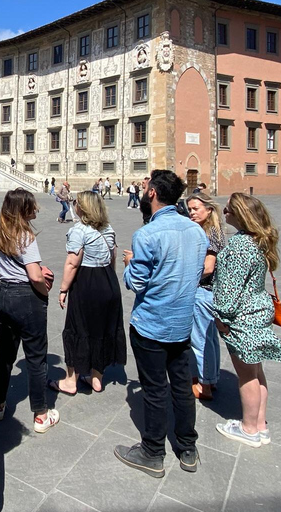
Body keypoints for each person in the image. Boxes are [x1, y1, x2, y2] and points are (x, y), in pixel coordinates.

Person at [114, 169, 208, 478]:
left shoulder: (147, 235)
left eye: (145, 188)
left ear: (152, 193)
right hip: (182, 321)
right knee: (181, 386)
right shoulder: (196, 231)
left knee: (155, 389)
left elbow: (137, 283)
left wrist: (129, 265)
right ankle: (188, 447)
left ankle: (152, 452)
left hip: (152, 324)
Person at [214, 193, 281, 448]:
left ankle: (248, 428)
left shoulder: (241, 246)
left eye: (228, 210)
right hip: (258, 310)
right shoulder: (258, 241)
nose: (224, 212)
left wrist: (221, 317)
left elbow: (229, 290)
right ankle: (260, 424)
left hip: (242, 316)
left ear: (240, 214)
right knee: (256, 370)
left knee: (246, 374)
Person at [0, 189, 59, 433]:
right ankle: (41, 414)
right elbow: (33, 274)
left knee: (5, 355)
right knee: (36, 356)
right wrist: (44, 288)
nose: (36, 209)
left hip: (4, 295)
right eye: (32, 206)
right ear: (22, 209)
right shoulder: (26, 236)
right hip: (26, 298)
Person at [52, 191, 126, 394]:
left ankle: (70, 380)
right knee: (102, 328)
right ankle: (96, 377)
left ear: (82, 208)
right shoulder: (108, 229)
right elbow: (113, 258)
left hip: (87, 283)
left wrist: (63, 289)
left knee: (78, 329)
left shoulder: (80, 230)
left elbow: (72, 263)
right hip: (108, 281)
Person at [186, 193, 227, 401]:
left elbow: (208, 267)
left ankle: (204, 383)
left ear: (209, 209)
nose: (192, 212)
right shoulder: (214, 230)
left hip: (203, 291)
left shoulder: (209, 233)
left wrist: (186, 279)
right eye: (190, 209)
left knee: (200, 339)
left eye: (196, 208)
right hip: (210, 292)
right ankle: (212, 378)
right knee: (209, 339)